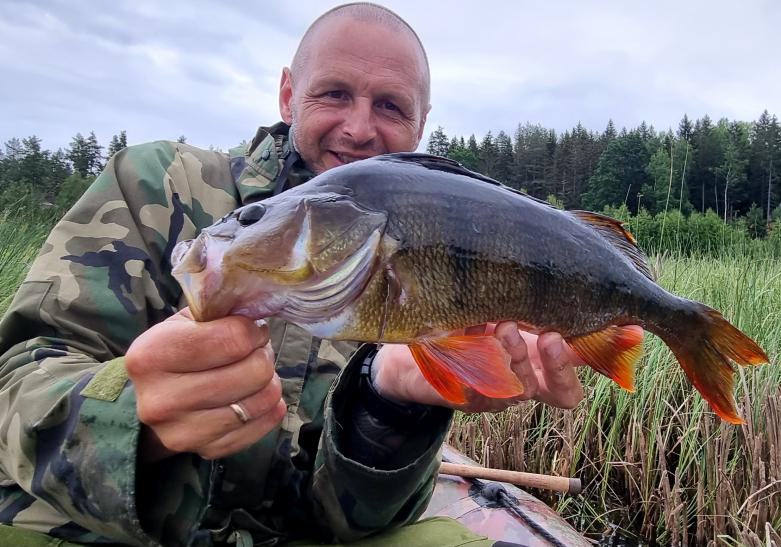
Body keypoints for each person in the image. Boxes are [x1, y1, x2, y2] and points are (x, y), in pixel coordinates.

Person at [0, 3, 639, 546]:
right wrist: (133, 419)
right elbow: (16, 374)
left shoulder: (413, 241)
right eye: (334, 93)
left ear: (421, 123)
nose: (359, 128)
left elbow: (339, 520)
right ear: (288, 93)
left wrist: (391, 401)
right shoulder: (161, 185)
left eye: (390, 106)